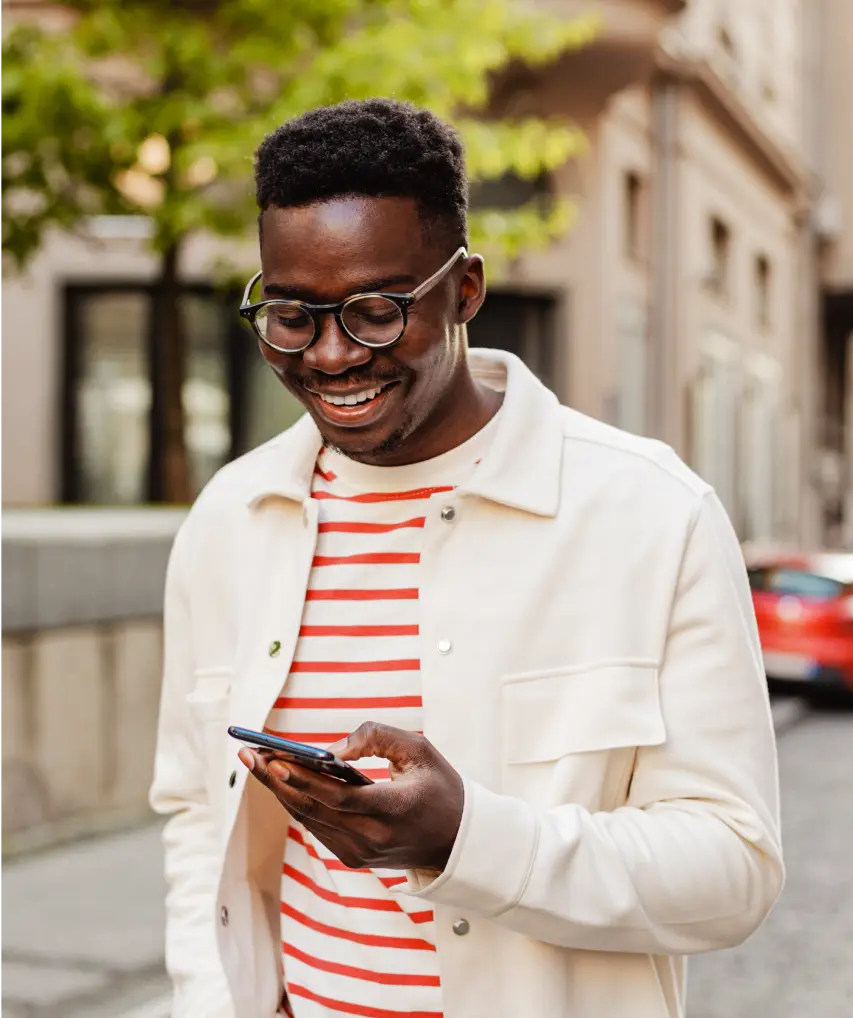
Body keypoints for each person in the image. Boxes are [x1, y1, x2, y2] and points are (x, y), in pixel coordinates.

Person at [150, 97, 783, 1018]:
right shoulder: (229, 520)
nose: (330, 357)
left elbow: (734, 871)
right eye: (292, 315)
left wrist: (467, 840)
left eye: (375, 310)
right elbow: (194, 812)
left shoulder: (651, 513)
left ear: (466, 290)